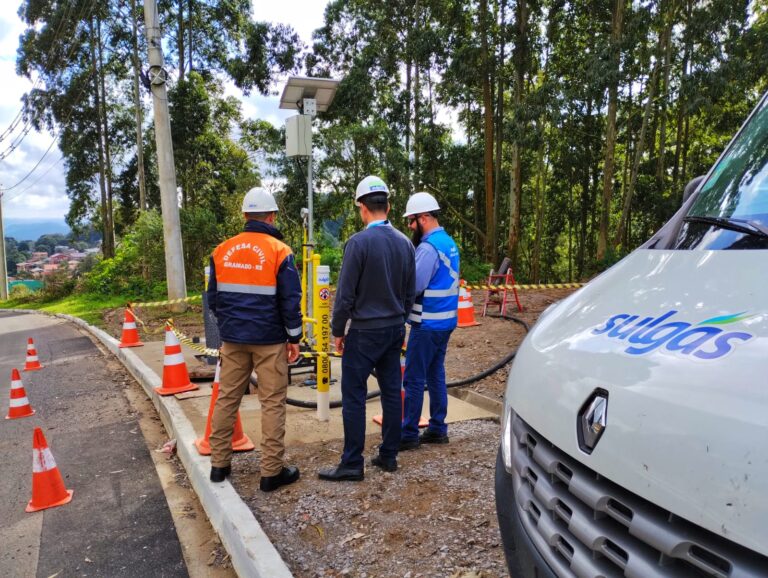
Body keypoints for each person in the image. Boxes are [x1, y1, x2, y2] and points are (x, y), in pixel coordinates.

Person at [318, 176, 416, 481]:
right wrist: (399, 321)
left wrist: (337, 331)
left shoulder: (358, 243)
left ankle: (351, 463)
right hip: (394, 329)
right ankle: (389, 455)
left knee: (355, 395)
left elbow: (345, 295)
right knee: (390, 391)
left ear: (362, 208)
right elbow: (410, 292)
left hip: (363, 331)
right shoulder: (405, 244)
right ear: (387, 206)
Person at [206, 187, 302, 492]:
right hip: (270, 339)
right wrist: (294, 337)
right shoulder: (279, 251)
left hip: (233, 339)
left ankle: (219, 465)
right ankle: (271, 472)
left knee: (227, 399)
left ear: (245, 216)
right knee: (272, 403)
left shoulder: (222, 250)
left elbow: (212, 299)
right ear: (271, 216)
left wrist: (230, 324)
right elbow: (290, 299)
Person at [399, 192, 460, 450]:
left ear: (424, 217)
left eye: (412, 221)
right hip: (445, 322)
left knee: (413, 378)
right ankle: (437, 428)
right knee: (435, 373)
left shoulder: (428, 248)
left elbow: (414, 284)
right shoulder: (448, 242)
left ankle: (409, 433)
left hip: (427, 324)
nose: (411, 227)